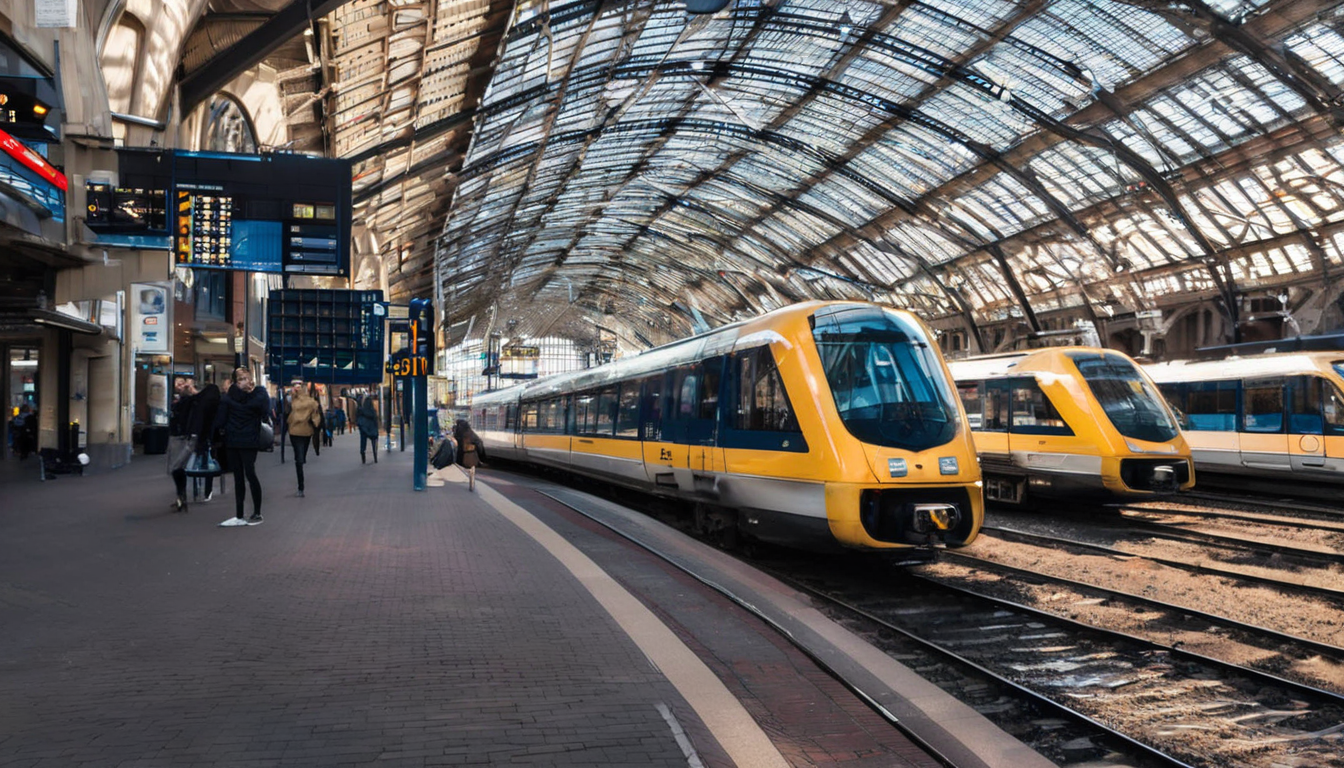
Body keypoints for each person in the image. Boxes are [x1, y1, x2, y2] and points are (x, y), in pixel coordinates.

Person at [213, 367, 270, 527]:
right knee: (247, 475)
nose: (243, 381)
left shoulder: (229, 398)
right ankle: (251, 513)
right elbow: (264, 412)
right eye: (240, 379)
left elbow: (220, 420)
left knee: (243, 475)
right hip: (245, 440)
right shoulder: (258, 395)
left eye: (245, 378)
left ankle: (246, 514)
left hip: (236, 440)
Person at [285, 380, 321, 497]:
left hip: (295, 432)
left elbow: (285, 412)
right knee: (302, 456)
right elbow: (316, 418)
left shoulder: (291, 400)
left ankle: (301, 487)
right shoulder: (311, 402)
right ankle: (301, 460)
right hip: (306, 432)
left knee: (298, 459)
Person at [453, 419, 486, 492]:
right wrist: (482, 455)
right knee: (471, 469)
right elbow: (479, 443)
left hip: (459, 458)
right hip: (470, 456)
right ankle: (472, 483)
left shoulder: (457, 433)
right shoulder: (470, 433)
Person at [356, 394, 379, 464]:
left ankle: (363, 454)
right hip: (372, 429)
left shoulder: (360, 410)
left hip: (363, 428)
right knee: (374, 442)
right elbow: (375, 420)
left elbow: (357, 418)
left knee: (363, 441)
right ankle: (375, 457)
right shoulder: (372, 411)